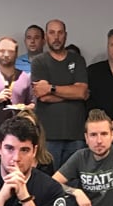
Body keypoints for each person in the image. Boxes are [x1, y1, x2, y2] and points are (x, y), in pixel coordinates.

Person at [31, 19, 91, 167]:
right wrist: (72, 93)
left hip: (75, 134)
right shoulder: (39, 61)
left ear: (65, 35)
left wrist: (52, 88)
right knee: (48, 181)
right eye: (52, 33)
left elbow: (82, 92)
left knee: (74, 183)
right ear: (46, 36)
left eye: (60, 33)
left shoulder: (77, 60)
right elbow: (42, 96)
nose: (56, 37)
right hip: (48, 135)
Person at [0, 36, 35, 144]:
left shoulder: (25, 77)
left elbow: (33, 103)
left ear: (16, 54)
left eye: (10, 51)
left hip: (18, 136)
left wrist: (25, 108)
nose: (6, 55)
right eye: (2, 51)